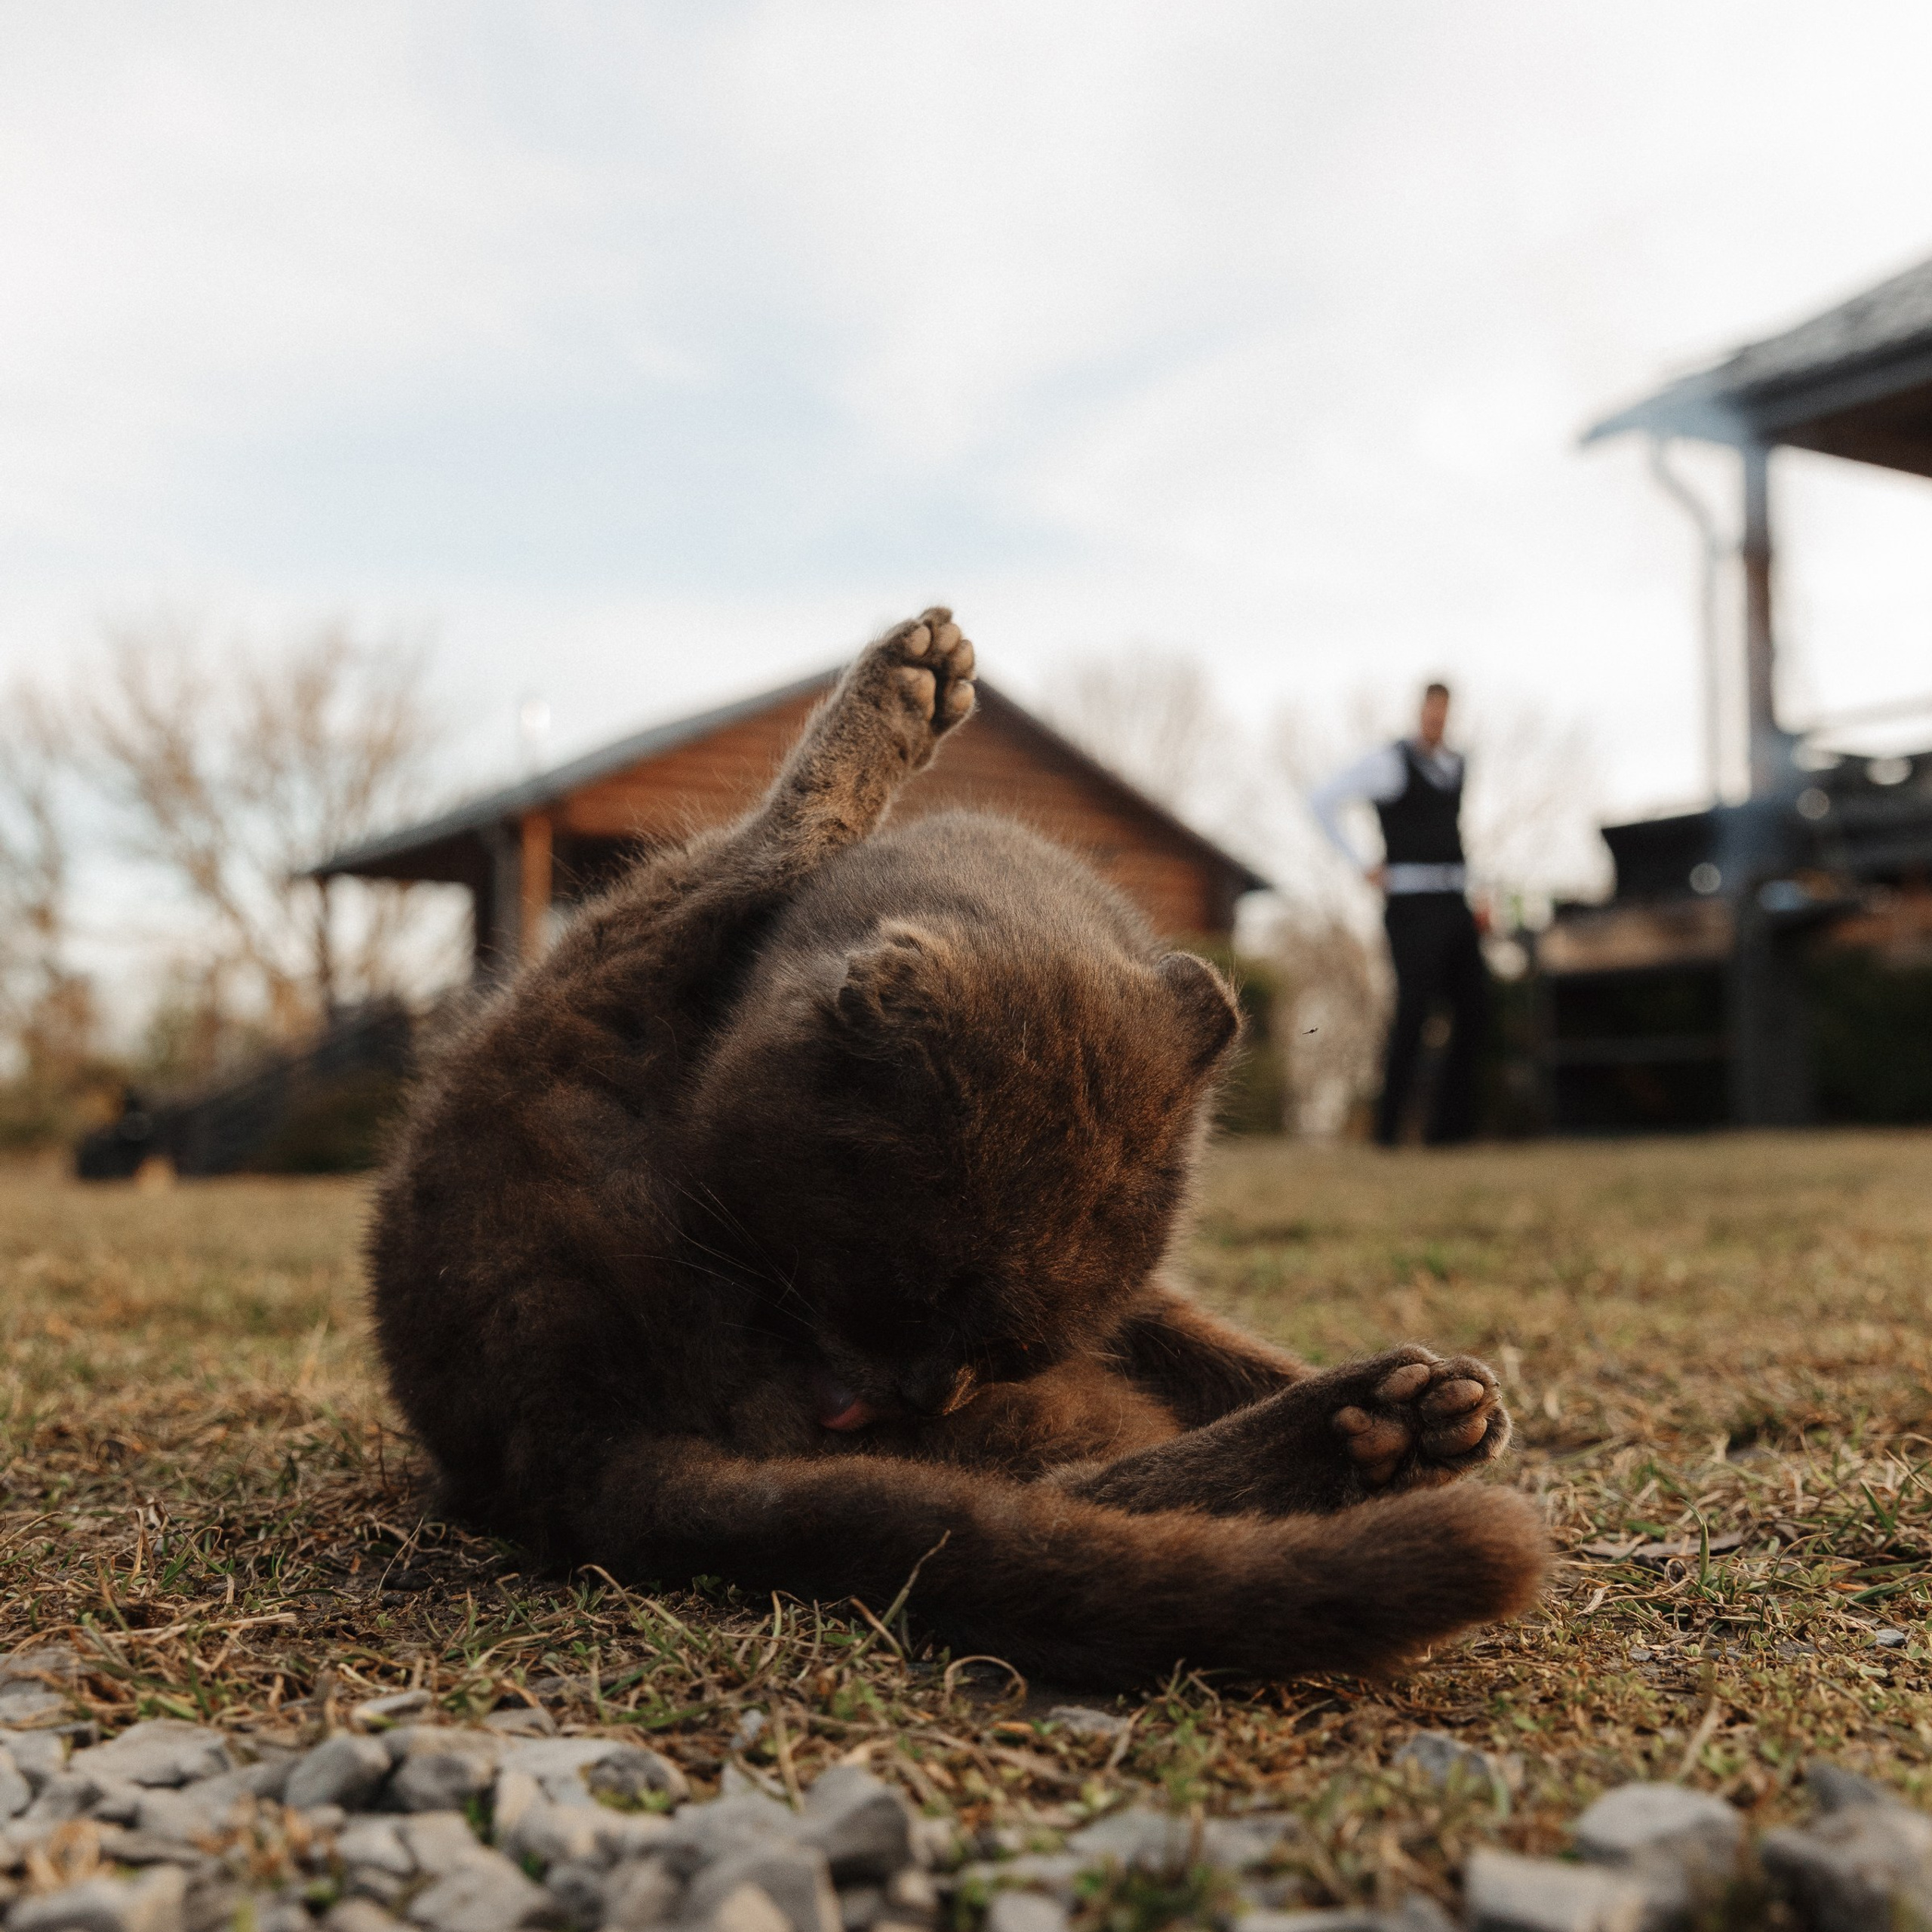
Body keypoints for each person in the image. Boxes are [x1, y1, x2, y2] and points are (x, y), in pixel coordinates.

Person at [1310, 681, 1487, 1146]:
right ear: (1420, 711)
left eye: (1445, 714)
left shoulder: (1457, 764)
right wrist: (1361, 864)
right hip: (1411, 905)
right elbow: (1323, 800)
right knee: (1414, 1011)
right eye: (1431, 712)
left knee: (1475, 1005)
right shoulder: (1390, 764)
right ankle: (1388, 1132)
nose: (1437, 721)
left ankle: (1449, 1133)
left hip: (1455, 901)